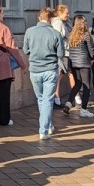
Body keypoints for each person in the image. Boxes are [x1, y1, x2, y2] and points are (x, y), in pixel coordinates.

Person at [23, 7, 62, 139]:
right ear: (50, 19)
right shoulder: (55, 33)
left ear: (39, 18)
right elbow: (61, 54)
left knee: (41, 99)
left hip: (35, 69)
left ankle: (48, 124)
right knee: (47, 99)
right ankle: (44, 129)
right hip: (50, 69)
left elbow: (25, 50)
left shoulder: (29, 31)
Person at [63, 15, 94, 117]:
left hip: (73, 63)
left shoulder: (71, 34)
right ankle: (84, 110)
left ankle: (68, 103)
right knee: (86, 86)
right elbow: (92, 51)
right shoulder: (86, 35)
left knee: (77, 84)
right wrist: (92, 58)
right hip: (84, 63)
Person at [51, 5, 72, 105]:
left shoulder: (64, 22)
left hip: (65, 51)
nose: (68, 15)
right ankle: (56, 98)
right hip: (61, 52)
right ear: (59, 13)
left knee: (62, 74)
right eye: (66, 13)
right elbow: (57, 38)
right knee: (59, 75)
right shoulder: (57, 23)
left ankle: (57, 99)